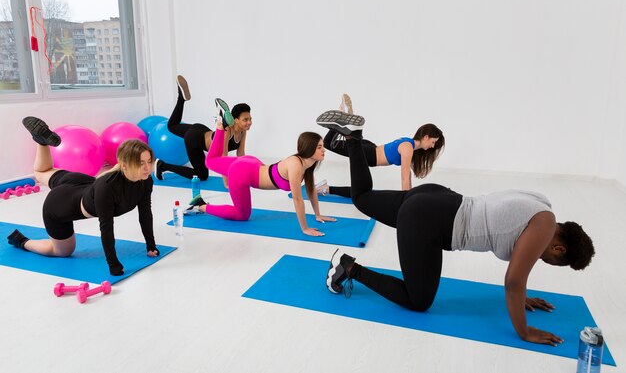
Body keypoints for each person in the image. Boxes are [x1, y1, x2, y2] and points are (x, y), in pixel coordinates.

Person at [319, 110, 595, 346]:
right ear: (560, 247)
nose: (545, 259)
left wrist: (522, 297)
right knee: (419, 301)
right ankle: (349, 268)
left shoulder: (543, 206)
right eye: (555, 260)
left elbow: (509, 236)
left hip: (438, 198)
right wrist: (524, 331)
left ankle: (354, 137)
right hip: (430, 220)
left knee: (362, 198)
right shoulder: (544, 229)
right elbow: (513, 282)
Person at [7, 117, 160, 276]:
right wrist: (113, 264)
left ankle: (41, 141)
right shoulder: (108, 187)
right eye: (141, 163)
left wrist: (151, 245)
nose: (147, 167)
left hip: (81, 182)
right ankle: (22, 242)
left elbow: (145, 214)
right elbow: (106, 228)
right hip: (60, 203)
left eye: (149, 161)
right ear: (124, 165)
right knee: (62, 251)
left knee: (41, 172)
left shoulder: (145, 181)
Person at [188, 101, 336, 236]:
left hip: (251, 165)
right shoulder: (296, 165)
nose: (323, 150)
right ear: (309, 149)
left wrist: (318, 214)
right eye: (319, 147)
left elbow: (310, 190)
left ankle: (220, 126)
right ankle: (201, 206)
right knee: (242, 215)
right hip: (244, 172)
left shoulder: (308, 163)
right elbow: (297, 199)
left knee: (211, 161)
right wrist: (305, 228)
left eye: (322, 146)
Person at [315, 94, 444, 197]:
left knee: (359, 188)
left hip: (370, 150)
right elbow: (405, 178)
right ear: (425, 137)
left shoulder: (409, 145)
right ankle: (342, 117)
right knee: (359, 192)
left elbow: (408, 176)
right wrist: (406, 201)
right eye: (433, 142)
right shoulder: (408, 148)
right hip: (368, 154)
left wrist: (409, 194)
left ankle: (325, 189)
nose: (433, 146)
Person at [153, 75, 252, 184]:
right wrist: (227, 183)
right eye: (245, 120)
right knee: (202, 175)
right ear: (236, 120)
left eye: (250, 119)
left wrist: (246, 172)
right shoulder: (228, 131)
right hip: (195, 139)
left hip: (201, 130)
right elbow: (223, 158)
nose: (249, 122)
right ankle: (162, 166)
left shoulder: (243, 131)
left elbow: (241, 153)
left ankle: (181, 98)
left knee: (172, 126)